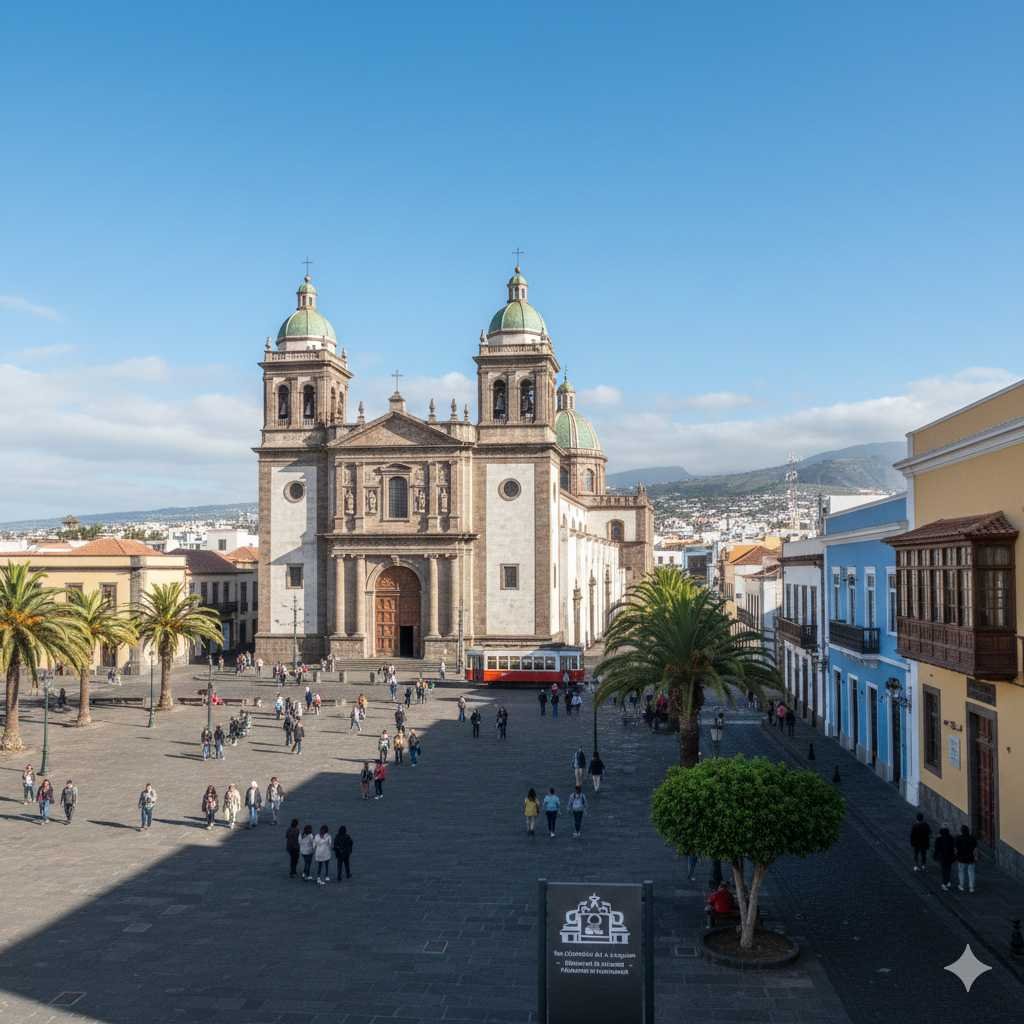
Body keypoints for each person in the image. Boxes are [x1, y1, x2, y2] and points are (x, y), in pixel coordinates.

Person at [955, 825, 978, 893]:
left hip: (961, 858)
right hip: (971, 858)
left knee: (961, 872)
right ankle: (971, 888)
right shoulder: (972, 838)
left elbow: (956, 849)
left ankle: (961, 886)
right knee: (971, 873)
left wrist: (956, 856)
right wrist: (976, 857)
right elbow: (975, 849)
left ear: (961, 831)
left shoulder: (958, 838)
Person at [933, 824, 957, 891]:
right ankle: (948, 881)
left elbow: (936, 848)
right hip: (949, 856)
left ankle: (944, 883)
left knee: (943, 870)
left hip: (942, 857)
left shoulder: (938, 839)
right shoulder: (951, 838)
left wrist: (935, 856)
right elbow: (953, 847)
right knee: (948, 869)